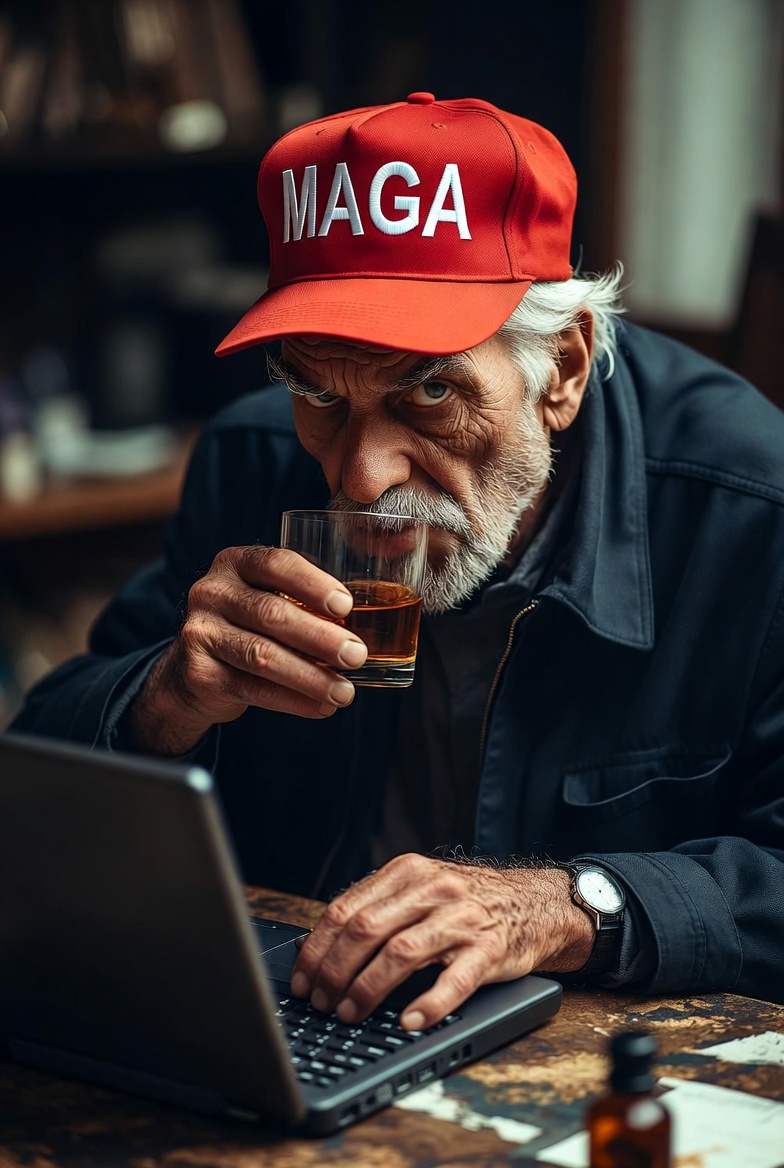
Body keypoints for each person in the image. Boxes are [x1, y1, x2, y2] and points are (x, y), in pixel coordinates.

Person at [12, 94, 784, 1031]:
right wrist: (162, 699)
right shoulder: (253, 459)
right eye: (317, 390)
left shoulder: (751, 508)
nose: (364, 478)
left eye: (429, 389)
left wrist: (572, 906)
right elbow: (41, 778)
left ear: (564, 371)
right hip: (307, 1025)